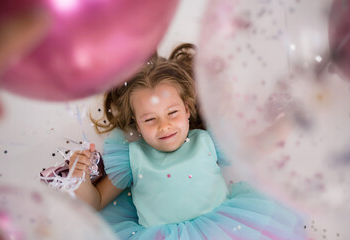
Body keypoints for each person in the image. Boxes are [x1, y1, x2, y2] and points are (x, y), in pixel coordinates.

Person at [69, 43, 307, 239]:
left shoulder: (208, 141)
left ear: (186, 109)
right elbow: (96, 202)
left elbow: (252, 149)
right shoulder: (131, 158)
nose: (164, 126)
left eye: (172, 113)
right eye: (150, 119)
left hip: (223, 229)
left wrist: (286, 124)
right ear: (136, 124)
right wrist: (78, 180)